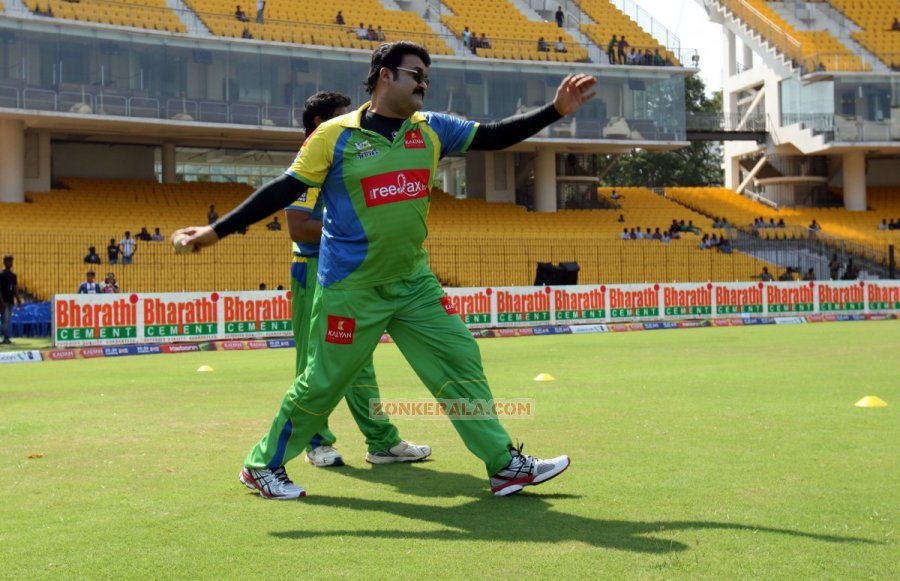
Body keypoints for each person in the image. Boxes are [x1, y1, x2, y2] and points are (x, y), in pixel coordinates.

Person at [171, 41, 596, 499]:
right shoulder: (334, 136)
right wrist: (217, 230)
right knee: (323, 384)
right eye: (416, 74)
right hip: (352, 289)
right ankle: (262, 465)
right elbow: (283, 190)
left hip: (414, 284)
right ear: (384, 76)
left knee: (460, 359)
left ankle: (503, 465)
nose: (424, 85)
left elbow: (494, 135)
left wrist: (555, 109)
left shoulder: (431, 128)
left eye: (427, 78)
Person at [285, 90, 428, 468]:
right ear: (321, 124)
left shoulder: (345, 157)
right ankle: (316, 442)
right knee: (317, 361)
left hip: (349, 270)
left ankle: (381, 440)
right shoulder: (310, 160)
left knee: (358, 359)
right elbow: (297, 228)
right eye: (343, 116)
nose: (355, 122)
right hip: (315, 269)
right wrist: (359, 227)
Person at [0, 255, 22, 344]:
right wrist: (1, 301)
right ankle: (5, 337)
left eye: (11, 261)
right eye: (8, 261)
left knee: (7, 319)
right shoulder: (1, 274)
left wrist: (18, 299)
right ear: (4, 263)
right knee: (5, 319)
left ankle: (5, 337)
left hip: (10, 300)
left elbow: (15, 288)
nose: (10, 263)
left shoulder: (13, 275)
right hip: (3, 301)